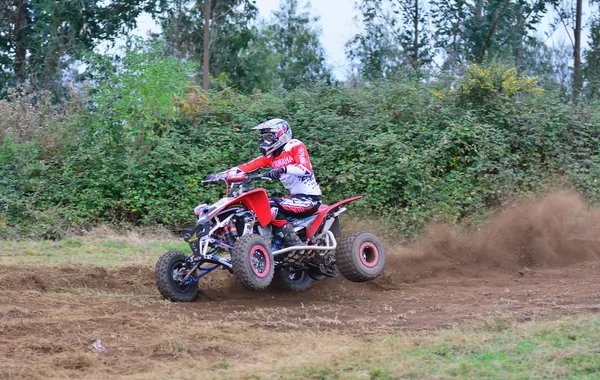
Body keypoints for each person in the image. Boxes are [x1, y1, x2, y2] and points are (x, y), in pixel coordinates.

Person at [222, 118, 322, 247]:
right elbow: (249, 166)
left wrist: (283, 169)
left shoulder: (295, 145)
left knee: (270, 205)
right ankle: (270, 244)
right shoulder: (272, 156)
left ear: (282, 135)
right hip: (294, 198)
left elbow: (306, 169)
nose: (265, 141)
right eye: (263, 138)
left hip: (310, 199)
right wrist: (222, 175)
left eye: (269, 137)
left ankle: (295, 245)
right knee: (257, 207)